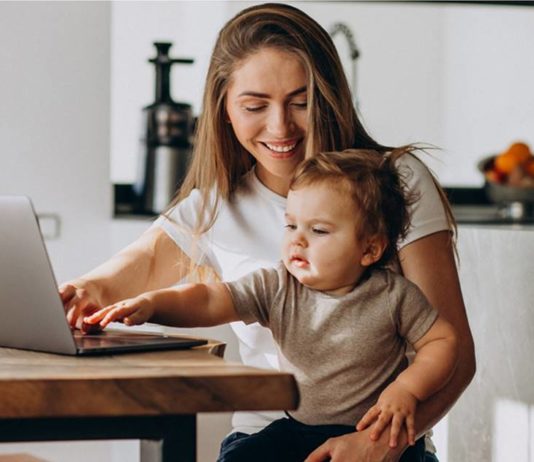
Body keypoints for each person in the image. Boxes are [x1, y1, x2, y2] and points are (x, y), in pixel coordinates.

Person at [60, 3, 475, 461]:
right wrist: (83, 292)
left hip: (385, 442)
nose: (280, 126)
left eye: (301, 103)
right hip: (270, 436)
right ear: (224, 110)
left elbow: (453, 354)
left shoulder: (395, 183)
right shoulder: (215, 206)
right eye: (255, 105)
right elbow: (121, 277)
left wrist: (378, 445)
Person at [83, 149, 459, 462]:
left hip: (377, 432)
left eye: (319, 230)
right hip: (298, 428)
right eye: (291, 225)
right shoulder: (278, 285)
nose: (298, 241)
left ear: (370, 248)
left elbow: (443, 342)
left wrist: (407, 390)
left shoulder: (393, 295)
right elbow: (210, 298)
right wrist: (152, 304)